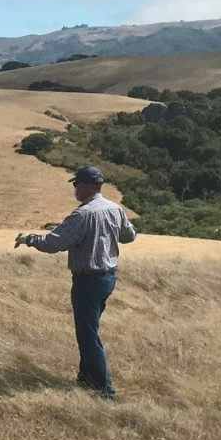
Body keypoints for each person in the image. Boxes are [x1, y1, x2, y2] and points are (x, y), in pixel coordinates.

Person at [14, 165, 137, 399]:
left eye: (76, 184)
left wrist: (29, 238)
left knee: (89, 335)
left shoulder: (83, 214)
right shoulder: (115, 209)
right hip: (108, 277)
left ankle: (105, 391)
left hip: (87, 280)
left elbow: (53, 244)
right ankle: (86, 378)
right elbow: (129, 235)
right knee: (89, 329)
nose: (74, 189)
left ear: (86, 186)